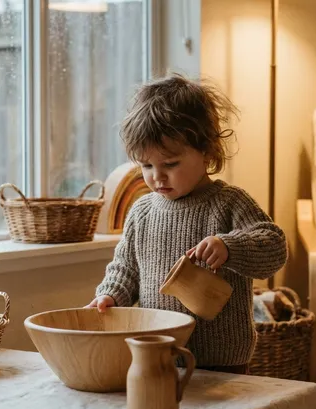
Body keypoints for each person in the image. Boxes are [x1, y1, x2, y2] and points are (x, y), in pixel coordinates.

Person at [85, 73, 287, 374]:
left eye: (170, 164)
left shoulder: (229, 203)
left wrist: (230, 247)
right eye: (146, 165)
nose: (157, 176)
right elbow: (126, 268)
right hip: (158, 348)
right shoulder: (141, 212)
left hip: (222, 357)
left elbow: (274, 246)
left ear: (206, 151)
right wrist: (111, 295)